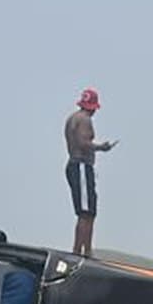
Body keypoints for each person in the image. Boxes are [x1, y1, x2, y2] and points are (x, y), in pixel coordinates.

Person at [65, 87, 116, 256]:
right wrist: (101, 147)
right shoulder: (84, 120)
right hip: (81, 165)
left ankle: (83, 249)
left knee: (87, 211)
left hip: (76, 165)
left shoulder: (72, 118)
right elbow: (83, 142)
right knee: (86, 212)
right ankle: (82, 251)